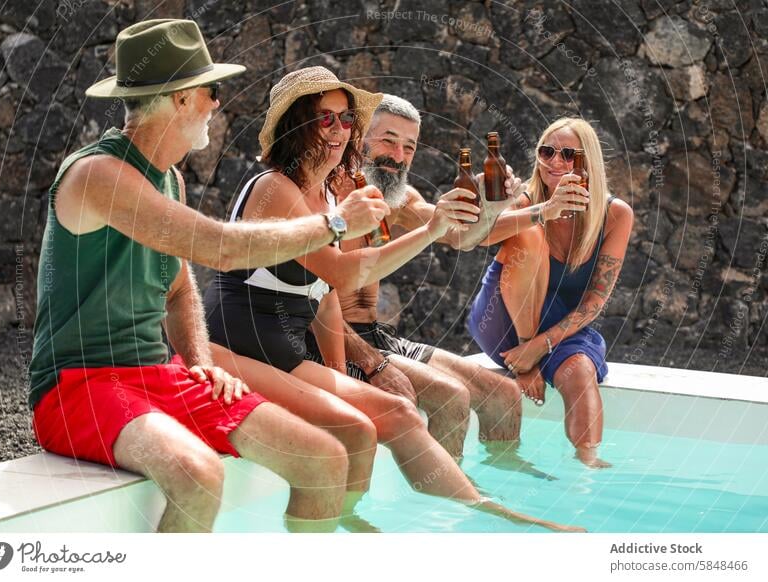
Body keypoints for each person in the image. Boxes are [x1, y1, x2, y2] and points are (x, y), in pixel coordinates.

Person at [28, 19, 391, 533]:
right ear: (180, 99)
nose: (217, 104)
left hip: (159, 373)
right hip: (76, 385)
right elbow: (218, 248)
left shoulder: (168, 179)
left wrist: (200, 362)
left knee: (324, 457)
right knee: (198, 474)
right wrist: (334, 222)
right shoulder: (96, 175)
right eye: (211, 91)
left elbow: (178, 290)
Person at [204, 66, 583, 532]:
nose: (340, 131)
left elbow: (328, 295)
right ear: (297, 125)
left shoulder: (334, 195)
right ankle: (371, 526)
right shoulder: (278, 189)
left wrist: (516, 209)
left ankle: (479, 509)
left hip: (302, 347)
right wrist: (429, 231)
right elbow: (343, 274)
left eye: (346, 120)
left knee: (445, 404)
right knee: (377, 423)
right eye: (326, 120)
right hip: (244, 345)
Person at [318, 94, 524, 460]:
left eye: (409, 147)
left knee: (503, 397)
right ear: (359, 137)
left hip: (376, 334)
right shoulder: (329, 196)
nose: (398, 156)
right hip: (335, 340)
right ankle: (444, 505)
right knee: (450, 398)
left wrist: (492, 210)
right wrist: (373, 363)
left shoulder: (399, 198)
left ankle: (499, 492)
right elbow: (318, 300)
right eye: (388, 140)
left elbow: (461, 237)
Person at [467, 117, 634, 468]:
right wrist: (525, 361)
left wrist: (540, 346)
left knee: (581, 371)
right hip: (503, 319)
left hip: (558, 328)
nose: (556, 162)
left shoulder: (614, 214)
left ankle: (588, 470)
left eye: (568, 154)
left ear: (587, 162)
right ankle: (526, 356)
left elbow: (595, 301)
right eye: (547, 151)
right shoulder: (526, 200)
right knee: (528, 234)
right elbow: (478, 237)